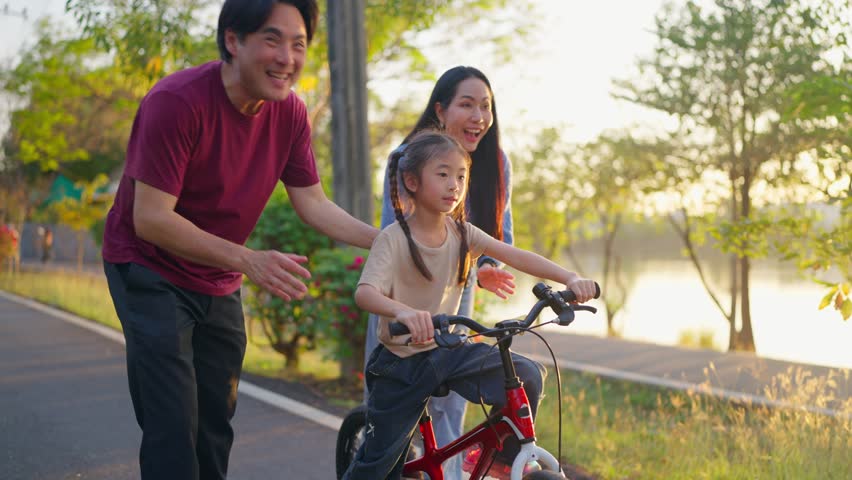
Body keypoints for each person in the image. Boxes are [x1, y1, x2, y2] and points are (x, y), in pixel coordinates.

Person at [100, 1, 378, 479]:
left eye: (298, 44)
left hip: (219, 277)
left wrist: (392, 241)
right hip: (147, 267)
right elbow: (151, 219)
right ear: (233, 40)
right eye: (272, 40)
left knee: (215, 422)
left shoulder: (290, 113)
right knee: (173, 422)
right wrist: (249, 260)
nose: (287, 58)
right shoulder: (178, 102)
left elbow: (312, 202)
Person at [343, 131, 598, 479]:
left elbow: (514, 255)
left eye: (461, 176)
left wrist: (568, 278)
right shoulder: (393, 238)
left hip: (448, 350)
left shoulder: (463, 233)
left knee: (526, 374)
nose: (454, 184)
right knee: (377, 466)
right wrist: (402, 312)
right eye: (443, 174)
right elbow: (365, 293)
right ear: (412, 181)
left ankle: (502, 458)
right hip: (401, 362)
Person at [364, 65, 516, 480]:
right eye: (466, 104)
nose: (478, 117)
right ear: (440, 110)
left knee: (451, 410)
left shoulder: (495, 161)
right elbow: (391, 236)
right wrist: (400, 313)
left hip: (456, 294)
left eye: (485, 106)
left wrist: (485, 268)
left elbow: (499, 235)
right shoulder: (405, 161)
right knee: (391, 417)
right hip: (400, 298)